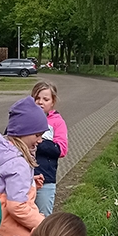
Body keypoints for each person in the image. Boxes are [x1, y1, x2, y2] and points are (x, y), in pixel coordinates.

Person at [0, 96, 48, 236]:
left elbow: (1, 182)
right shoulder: (19, 164)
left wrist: (30, 183)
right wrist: (44, 225)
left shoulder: (2, 153)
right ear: (22, 132)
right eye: (37, 135)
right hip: (14, 230)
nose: (40, 140)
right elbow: (17, 207)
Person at [32, 81, 69, 218]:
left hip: (45, 179)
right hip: (22, 179)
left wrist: (38, 141)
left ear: (52, 102)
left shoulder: (57, 122)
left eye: (45, 99)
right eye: (37, 98)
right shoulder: (23, 118)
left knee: (42, 219)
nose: (40, 102)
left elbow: (61, 150)